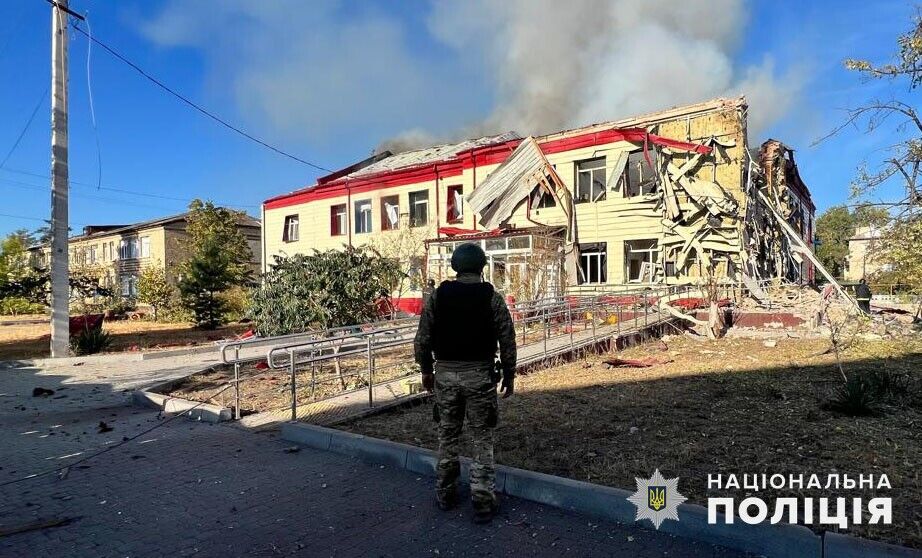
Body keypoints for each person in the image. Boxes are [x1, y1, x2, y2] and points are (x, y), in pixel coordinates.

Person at [414, 242, 516, 523]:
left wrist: (426, 370)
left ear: (455, 266)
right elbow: (507, 338)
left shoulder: (437, 297)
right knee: (481, 436)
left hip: (445, 375)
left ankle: (445, 493)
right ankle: (482, 501)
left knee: (448, 435)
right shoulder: (492, 297)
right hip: (480, 376)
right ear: (482, 266)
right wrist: (509, 374)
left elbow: (422, 338)